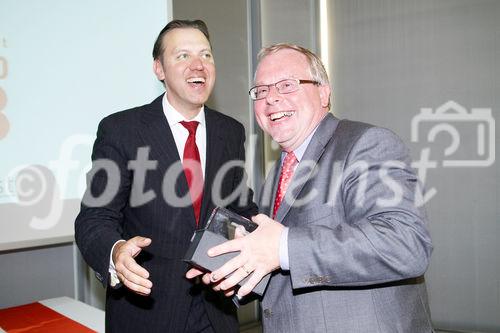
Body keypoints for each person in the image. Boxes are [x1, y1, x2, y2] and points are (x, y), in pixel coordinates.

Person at [187, 43, 434, 332]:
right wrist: (239, 270)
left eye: (287, 85)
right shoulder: (277, 174)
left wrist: (281, 247)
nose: (272, 98)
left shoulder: (366, 144)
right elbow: (284, 267)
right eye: (262, 91)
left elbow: (405, 244)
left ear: (324, 92)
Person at [75, 19, 257, 332]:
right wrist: (116, 251)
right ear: (159, 69)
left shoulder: (230, 132)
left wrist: (262, 236)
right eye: (182, 56)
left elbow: (238, 209)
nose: (198, 65)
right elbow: (95, 219)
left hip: (216, 311)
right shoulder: (121, 130)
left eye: (206, 55)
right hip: (148, 309)